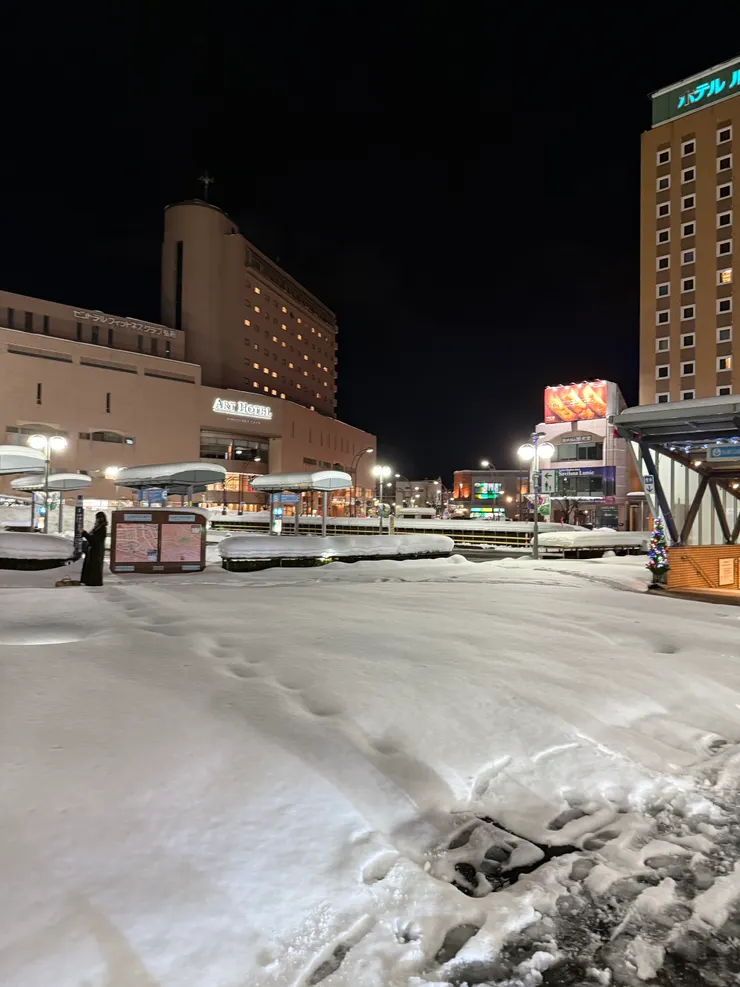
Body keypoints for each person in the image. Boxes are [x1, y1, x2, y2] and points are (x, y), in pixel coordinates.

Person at [81, 512, 107, 586]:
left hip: (96, 551)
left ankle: (93, 581)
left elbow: (95, 539)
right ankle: (90, 581)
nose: (97, 519)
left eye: (98, 518)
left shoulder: (101, 528)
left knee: (94, 567)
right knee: (92, 566)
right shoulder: (98, 527)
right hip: (94, 550)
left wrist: (85, 533)